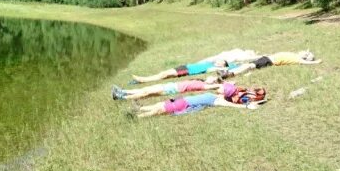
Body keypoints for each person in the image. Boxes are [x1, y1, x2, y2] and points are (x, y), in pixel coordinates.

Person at [128, 89, 267, 118]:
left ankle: (137, 117)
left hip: (183, 105)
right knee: (159, 105)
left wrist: (247, 106)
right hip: (182, 100)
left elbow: (234, 105)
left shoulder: (218, 100)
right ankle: (139, 108)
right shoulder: (216, 94)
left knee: (160, 110)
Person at [112, 80, 264, 103]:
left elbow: (188, 93)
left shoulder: (210, 88)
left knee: (147, 92)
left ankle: (122, 96)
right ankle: (123, 93)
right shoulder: (218, 86)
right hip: (176, 85)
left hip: (176, 87)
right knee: (148, 91)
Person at [208, 50, 321, 82]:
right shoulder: (295, 55)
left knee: (248, 66)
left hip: (268, 61)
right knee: (247, 65)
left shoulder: (297, 59)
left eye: (305, 53)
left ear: (305, 57)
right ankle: (228, 73)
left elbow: (305, 62)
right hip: (266, 58)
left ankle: (228, 74)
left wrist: (316, 62)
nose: (302, 51)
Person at [129, 59, 239, 84]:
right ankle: (143, 80)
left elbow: (229, 68)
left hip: (187, 71)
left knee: (165, 74)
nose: (219, 62)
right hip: (185, 66)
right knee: (164, 75)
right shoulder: (211, 62)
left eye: (222, 62)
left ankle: (143, 79)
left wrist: (232, 66)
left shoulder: (214, 68)